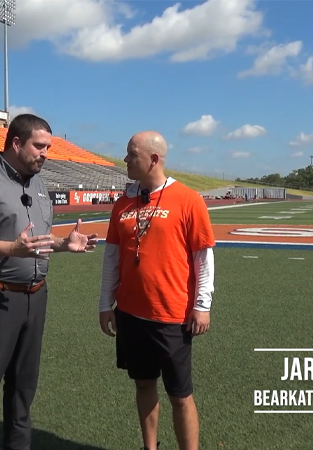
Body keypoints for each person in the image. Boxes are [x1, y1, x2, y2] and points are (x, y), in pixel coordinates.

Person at [0, 113, 98, 450]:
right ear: (16, 143)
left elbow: (35, 243)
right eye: (39, 146)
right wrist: (10, 249)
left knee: (23, 385)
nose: (46, 154)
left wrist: (62, 244)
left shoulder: (39, 183)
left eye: (48, 147)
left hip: (35, 296)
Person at [98, 131, 216, 450]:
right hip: (130, 314)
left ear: (153, 159)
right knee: (143, 384)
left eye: (131, 154)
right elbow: (111, 256)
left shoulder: (189, 199)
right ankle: (150, 447)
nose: (125, 159)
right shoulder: (123, 203)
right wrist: (105, 303)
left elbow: (203, 257)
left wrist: (202, 305)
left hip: (172, 316)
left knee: (180, 395)